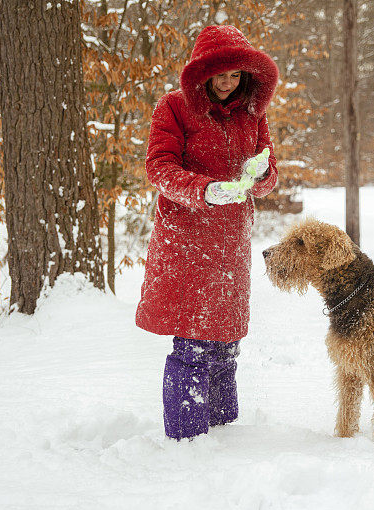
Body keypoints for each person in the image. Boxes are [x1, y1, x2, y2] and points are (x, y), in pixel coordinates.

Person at [135, 25, 279, 440]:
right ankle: (188, 437)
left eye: (235, 76)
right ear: (202, 73)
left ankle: (223, 433)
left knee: (226, 343)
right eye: (220, 76)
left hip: (232, 241)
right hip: (187, 239)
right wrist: (205, 189)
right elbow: (159, 169)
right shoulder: (174, 108)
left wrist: (261, 172)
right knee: (194, 342)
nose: (228, 84)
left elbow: (269, 174)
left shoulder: (252, 112)